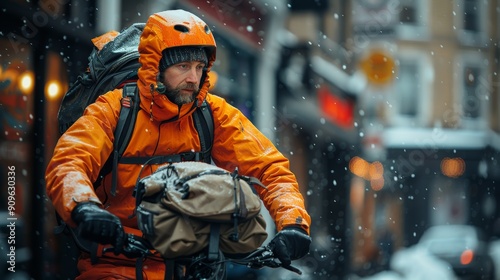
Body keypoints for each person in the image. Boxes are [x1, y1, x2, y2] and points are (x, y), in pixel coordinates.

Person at [45, 9, 311, 279]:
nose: (194, 78)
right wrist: (84, 207)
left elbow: (270, 168)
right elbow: (69, 162)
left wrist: (293, 224)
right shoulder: (114, 109)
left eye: (199, 68)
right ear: (156, 66)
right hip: (113, 267)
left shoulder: (212, 113)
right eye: (183, 66)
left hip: (191, 268)